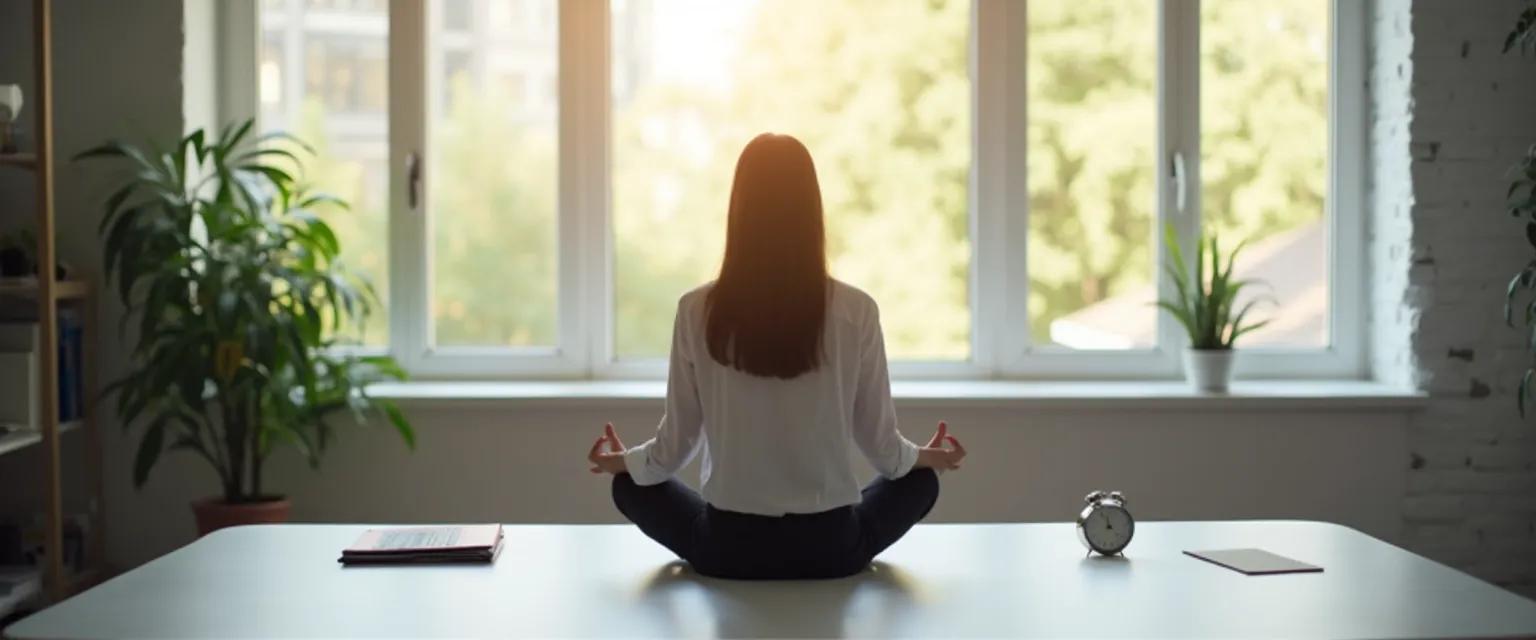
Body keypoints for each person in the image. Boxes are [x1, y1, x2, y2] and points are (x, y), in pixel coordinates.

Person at [584, 133, 967, 580]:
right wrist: (927, 456)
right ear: (812, 212)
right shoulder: (856, 309)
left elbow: (673, 449)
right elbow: (884, 452)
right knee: (919, 483)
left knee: (630, 487)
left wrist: (624, 463)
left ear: (739, 210)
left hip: (727, 550)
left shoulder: (695, 310)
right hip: (832, 550)